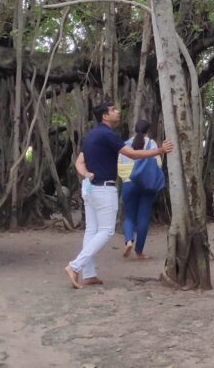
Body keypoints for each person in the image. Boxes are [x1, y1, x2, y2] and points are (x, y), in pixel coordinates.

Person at [65, 101, 173, 289]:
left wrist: (86, 174)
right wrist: (160, 150)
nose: (117, 112)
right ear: (105, 116)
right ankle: (75, 266)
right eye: (113, 110)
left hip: (89, 187)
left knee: (92, 230)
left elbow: (79, 162)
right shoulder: (108, 134)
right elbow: (132, 154)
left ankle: (89, 275)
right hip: (103, 188)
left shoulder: (91, 135)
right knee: (106, 230)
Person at [119, 119, 164, 261]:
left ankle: (128, 241)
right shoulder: (152, 144)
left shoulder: (125, 145)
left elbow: (120, 165)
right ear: (148, 130)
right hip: (147, 185)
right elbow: (158, 164)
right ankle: (139, 252)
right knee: (143, 218)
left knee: (129, 216)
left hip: (128, 184)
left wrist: (126, 178)